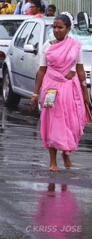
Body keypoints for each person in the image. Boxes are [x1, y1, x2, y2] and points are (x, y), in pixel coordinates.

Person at [31, 14, 92, 171]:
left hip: (70, 88)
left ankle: (66, 152)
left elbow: (80, 69)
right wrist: (35, 94)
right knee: (52, 121)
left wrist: (85, 92)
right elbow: (42, 71)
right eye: (55, 27)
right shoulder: (47, 47)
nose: (57, 30)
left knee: (70, 121)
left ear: (68, 29)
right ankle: (53, 161)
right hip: (51, 88)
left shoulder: (75, 46)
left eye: (60, 27)